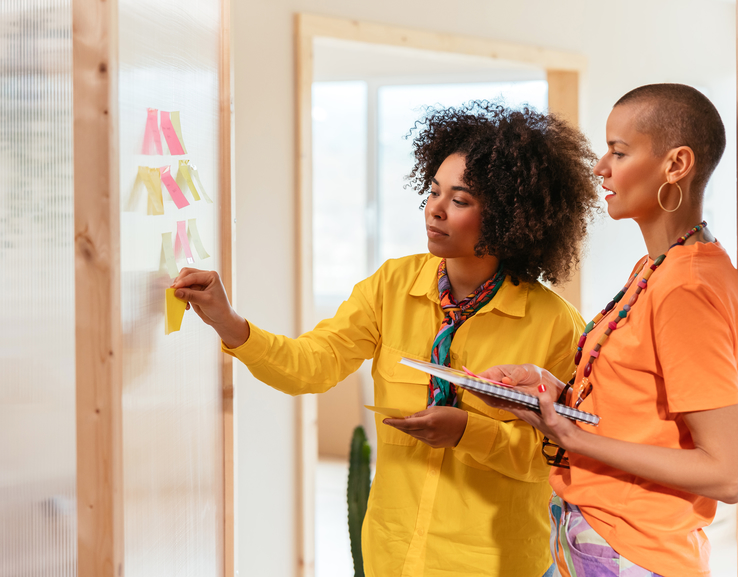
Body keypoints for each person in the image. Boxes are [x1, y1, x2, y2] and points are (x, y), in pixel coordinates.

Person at [171, 101, 598, 577]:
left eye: (459, 201)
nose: (434, 209)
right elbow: (311, 366)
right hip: (393, 553)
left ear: (508, 216)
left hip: (494, 562)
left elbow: (557, 455)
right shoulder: (392, 285)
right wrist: (227, 320)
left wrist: (467, 431)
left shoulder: (557, 325)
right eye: (434, 191)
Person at [478, 84, 738, 577]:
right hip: (591, 536)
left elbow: (727, 473)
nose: (601, 167)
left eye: (619, 151)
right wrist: (550, 392)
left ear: (676, 165)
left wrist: (574, 439)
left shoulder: (686, 288)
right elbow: (642, 412)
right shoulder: (657, 267)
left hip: (634, 552)